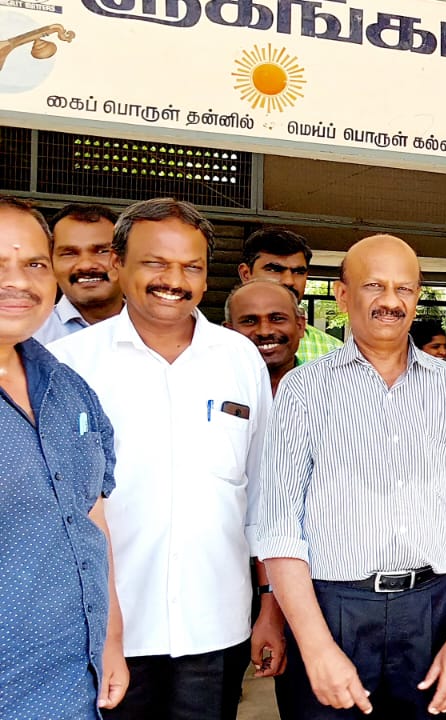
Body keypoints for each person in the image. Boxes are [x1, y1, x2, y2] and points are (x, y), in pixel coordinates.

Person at [50, 198, 279, 720]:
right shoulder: (69, 365)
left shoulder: (239, 358)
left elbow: (264, 493)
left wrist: (269, 606)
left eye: (190, 266)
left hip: (215, 627)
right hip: (104, 632)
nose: (173, 280)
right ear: (117, 263)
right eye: (155, 263)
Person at [253, 234, 446, 718]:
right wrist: (315, 647)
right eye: (374, 286)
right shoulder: (304, 389)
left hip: (430, 607)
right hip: (331, 607)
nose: (391, 301)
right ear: (343, 295)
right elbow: (280, 530)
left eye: (404, 289)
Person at [0, 196, 128, 717]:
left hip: (74, 684)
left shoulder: (68, 388)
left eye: (34, 264)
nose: (18, 281)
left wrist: (110, 639)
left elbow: (91, 518)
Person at [237, 227, 342, 364]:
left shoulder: (333, 353)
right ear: (246, 274)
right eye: (274, 269)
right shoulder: (217, 350)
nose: (289, 281)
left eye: (298, 272)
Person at [33, 203, 122, 344]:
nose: (86, 265)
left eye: (102, 251)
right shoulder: (26, 336)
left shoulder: (156, 330)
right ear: (50, 263)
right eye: (69, 253)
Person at [224, 279, 306, 395]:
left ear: (300, 326)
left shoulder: (326, 384)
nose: (264, 332)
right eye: (249, 321)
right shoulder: (209, 385)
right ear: (229, 332)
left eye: (277, 319)